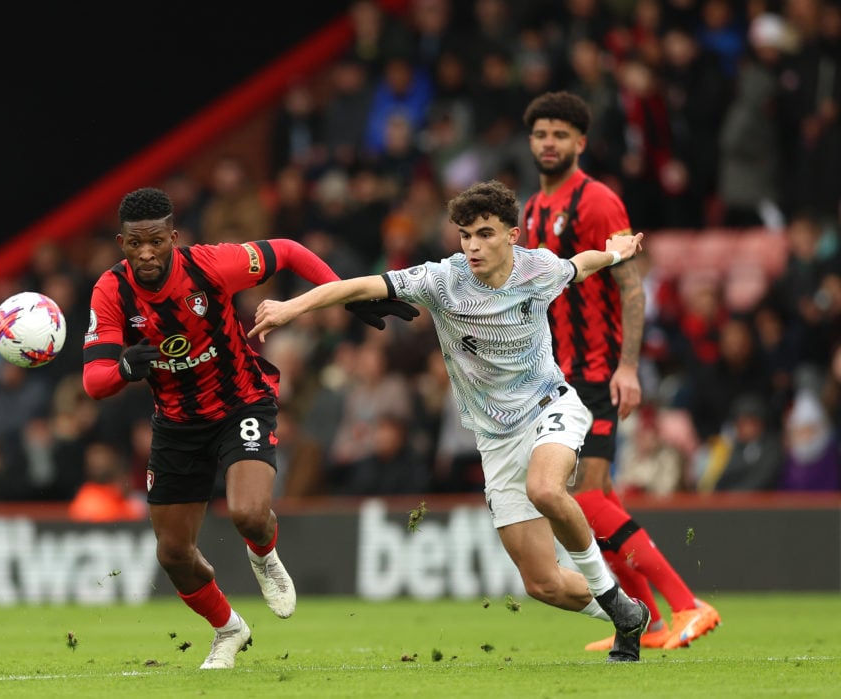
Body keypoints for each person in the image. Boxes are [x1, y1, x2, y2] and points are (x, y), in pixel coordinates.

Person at [250, 179, 651, 663]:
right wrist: (293, 306)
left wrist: (614, 252)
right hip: (495, 440)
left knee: (547, 490)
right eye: (465, 235)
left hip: (551, 406)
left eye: (484, 233)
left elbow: (580, 265)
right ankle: (626, 612)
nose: (473, 246)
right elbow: (360, 285)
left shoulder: (539, 268)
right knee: (543, 584)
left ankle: (612, 598)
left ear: (512, 234)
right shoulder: (442, 279)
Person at [81, 187, 417, 670]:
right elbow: (94, 381)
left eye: (156, 240)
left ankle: (263, 554)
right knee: (174, 553)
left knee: (249, 513)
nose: (147, 252)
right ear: (122, 242)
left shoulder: (212, 265)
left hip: (242, 402)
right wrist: (125, 371)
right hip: (176, 424)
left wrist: (344, 295)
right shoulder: (110, 291)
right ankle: (229, 629)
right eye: (136, 243)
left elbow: (288, 251)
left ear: (174, 236)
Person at [520, 90, 721, 652]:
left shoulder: (598, 202)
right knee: (596, 502)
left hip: (596, 371)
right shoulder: (533, 210)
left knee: (582, 500)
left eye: (560, 134)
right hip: (558, 376)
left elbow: (631, 288)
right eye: (541, 134)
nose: (550, 143)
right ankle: (650, 622)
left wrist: (628, 367)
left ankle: (687, 604)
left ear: (581, 143)